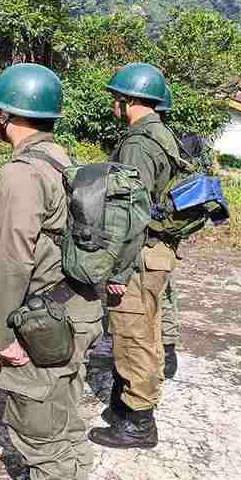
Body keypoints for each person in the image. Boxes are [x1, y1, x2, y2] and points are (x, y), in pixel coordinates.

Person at [0, 64, 103, 480]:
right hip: (79, 306)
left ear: (9, 117)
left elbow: (13, 258)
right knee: (66, 421)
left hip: (46, 320)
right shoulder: (59, 157)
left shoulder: (20, 172)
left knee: (40, 432)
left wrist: (3, 334)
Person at [90, 63, 181, 449]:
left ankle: (139, 424)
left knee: (132, 338)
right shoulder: (161, 134)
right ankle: (126, 407)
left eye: (116, 97)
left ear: (128, 100)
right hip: (153, 253)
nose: (114, 103)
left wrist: (118, 269)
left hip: (139, 256)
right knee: (147, 334)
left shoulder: (140, 144)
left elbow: (131, 212)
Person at [155, 85, 180, 379]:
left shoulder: (151, 141)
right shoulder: (171, 139)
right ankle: (169, 347)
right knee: (167, 289)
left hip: (155, 225)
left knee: (157, 293)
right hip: (169, 226)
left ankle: (167, 351)